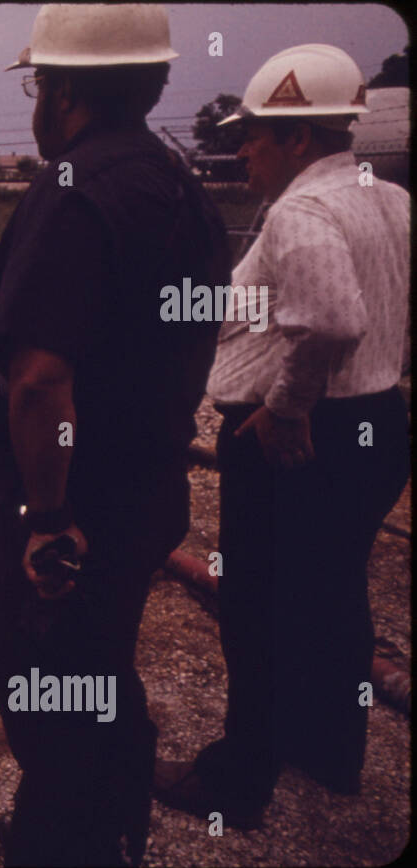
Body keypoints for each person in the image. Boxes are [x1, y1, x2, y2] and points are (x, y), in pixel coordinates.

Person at [0, 3, 230, 867]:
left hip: (71, 505)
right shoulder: (184, 188)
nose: (36, 102)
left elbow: (42, 380)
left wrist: (46, 517)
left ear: (65, 90)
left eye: (38, 83)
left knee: (47, 696)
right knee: (102, 667)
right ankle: (114, 829)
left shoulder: (73, 188)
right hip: (147, 487)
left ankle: (63, 847)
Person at [155, 44, 411, 828]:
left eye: (255, 134)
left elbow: (331, 318)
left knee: (258, 608)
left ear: (299, 138)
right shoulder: (391, 198)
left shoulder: (303, 211)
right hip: (376, 425)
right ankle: (329, 752)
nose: (242, 149)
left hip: (299, 437)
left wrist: (289, 406)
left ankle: (237, 780)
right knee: (332, 595)